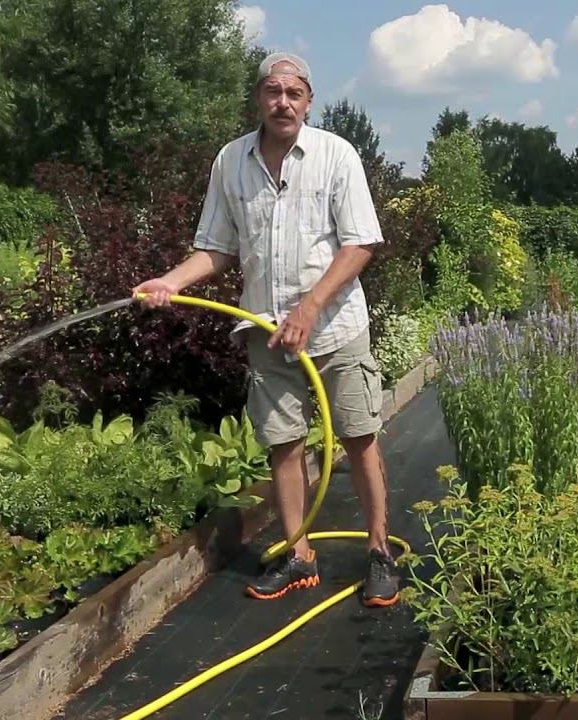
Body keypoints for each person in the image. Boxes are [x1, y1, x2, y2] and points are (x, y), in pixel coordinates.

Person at [132, 52, 399, 607]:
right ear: (258, 98)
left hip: (334, 330)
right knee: (283, 445)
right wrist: (171, 281)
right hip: (267, 333)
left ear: (308, 100)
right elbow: (216, 248)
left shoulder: (335, 156)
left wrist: (309, 308)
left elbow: (361, 244)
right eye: (273, 92)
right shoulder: (231, 161)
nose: (283, 102)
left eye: (294, 93)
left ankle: (379, 553)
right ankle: (298, 556)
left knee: (359, 438)